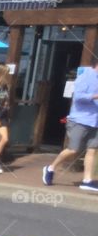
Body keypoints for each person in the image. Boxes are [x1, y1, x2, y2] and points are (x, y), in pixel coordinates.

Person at [43, 58, 98, 192]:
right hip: (80, 120)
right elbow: (78, 97)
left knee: (92, 150)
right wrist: (95, 96)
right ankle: (50, 168)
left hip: (95, 121)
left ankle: (87, 180)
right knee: (73, 149)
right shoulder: (85, 76)